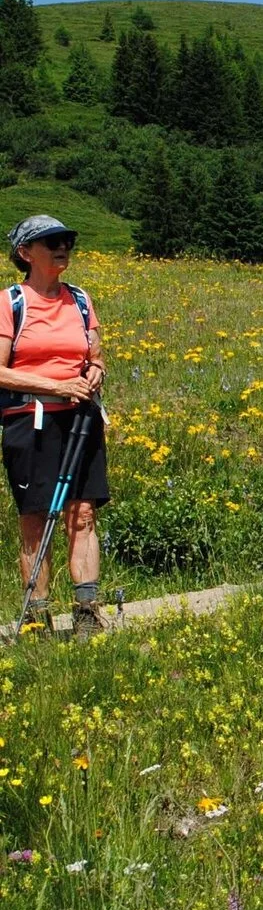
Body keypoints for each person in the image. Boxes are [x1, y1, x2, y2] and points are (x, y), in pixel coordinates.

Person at [1, 215, 108, 640]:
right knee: (35, 517)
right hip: (31, 420)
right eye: (51, 242)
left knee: (82, 515)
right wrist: (55, 385)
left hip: (80, 416)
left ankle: (86, 610)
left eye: (66, 240)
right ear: (26, 253)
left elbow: (94, 353)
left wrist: (95, 370)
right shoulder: (10, 303)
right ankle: (36, 616)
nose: (62, 247)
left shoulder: (79, 299)